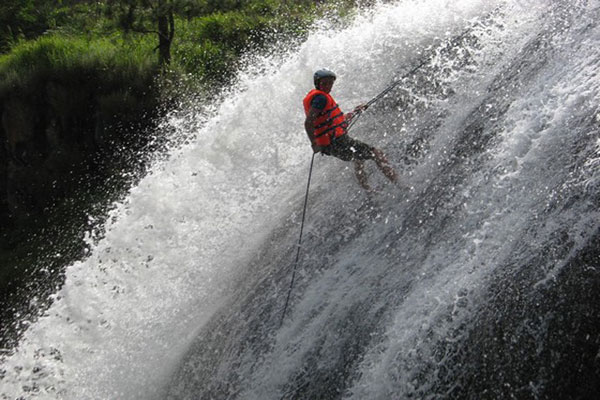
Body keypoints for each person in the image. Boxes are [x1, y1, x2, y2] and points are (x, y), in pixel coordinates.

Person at [303, 69, 397, 191]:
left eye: (330, 83)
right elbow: (308, 122)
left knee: (358, 158)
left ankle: (368, 191)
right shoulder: (320, 99)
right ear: (317, 83)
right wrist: (314, 143)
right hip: (336, 142)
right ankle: (399, 184)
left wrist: (355, 111)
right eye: (324, 83)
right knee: (377, 153)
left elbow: (335, 121)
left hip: (332, 143)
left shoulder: (320, 97)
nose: (328, 86)